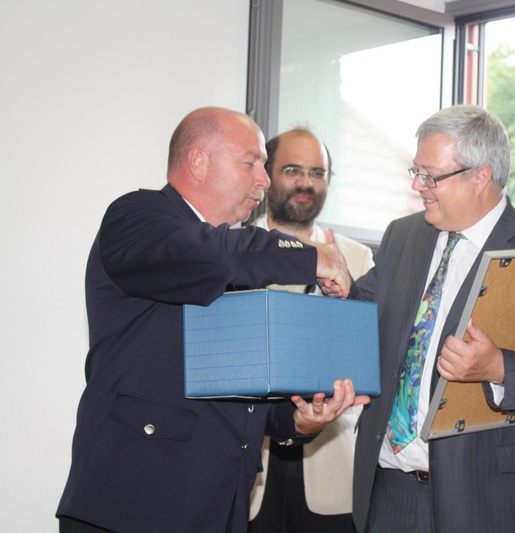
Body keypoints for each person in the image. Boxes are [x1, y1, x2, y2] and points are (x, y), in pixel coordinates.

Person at [56, 107, 369, 533]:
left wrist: (298, 420)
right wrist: (310, 255)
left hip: (217, 509)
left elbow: (239, 392)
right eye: (250, 163)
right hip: (130, 507)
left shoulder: (236, 262)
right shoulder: (137, 218)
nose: (263, 180)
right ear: (199, 162)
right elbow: (211, 254)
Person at [351, 105, 515, 533]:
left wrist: (499, 367)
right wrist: (332, 281)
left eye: (431, 176)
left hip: (485, 500)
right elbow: (361, 310)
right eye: (416, 172)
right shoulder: (402, 235)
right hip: (388, 492)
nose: (418, 185)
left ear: (480, 177)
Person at [248, 127, 374, 532]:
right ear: (266, 174)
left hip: (331, 467)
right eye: (292, 170)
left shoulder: (357, 257)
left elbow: (372, 354)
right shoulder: (231, 249)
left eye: (317, 173)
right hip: (249, 468)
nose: (306, 182)